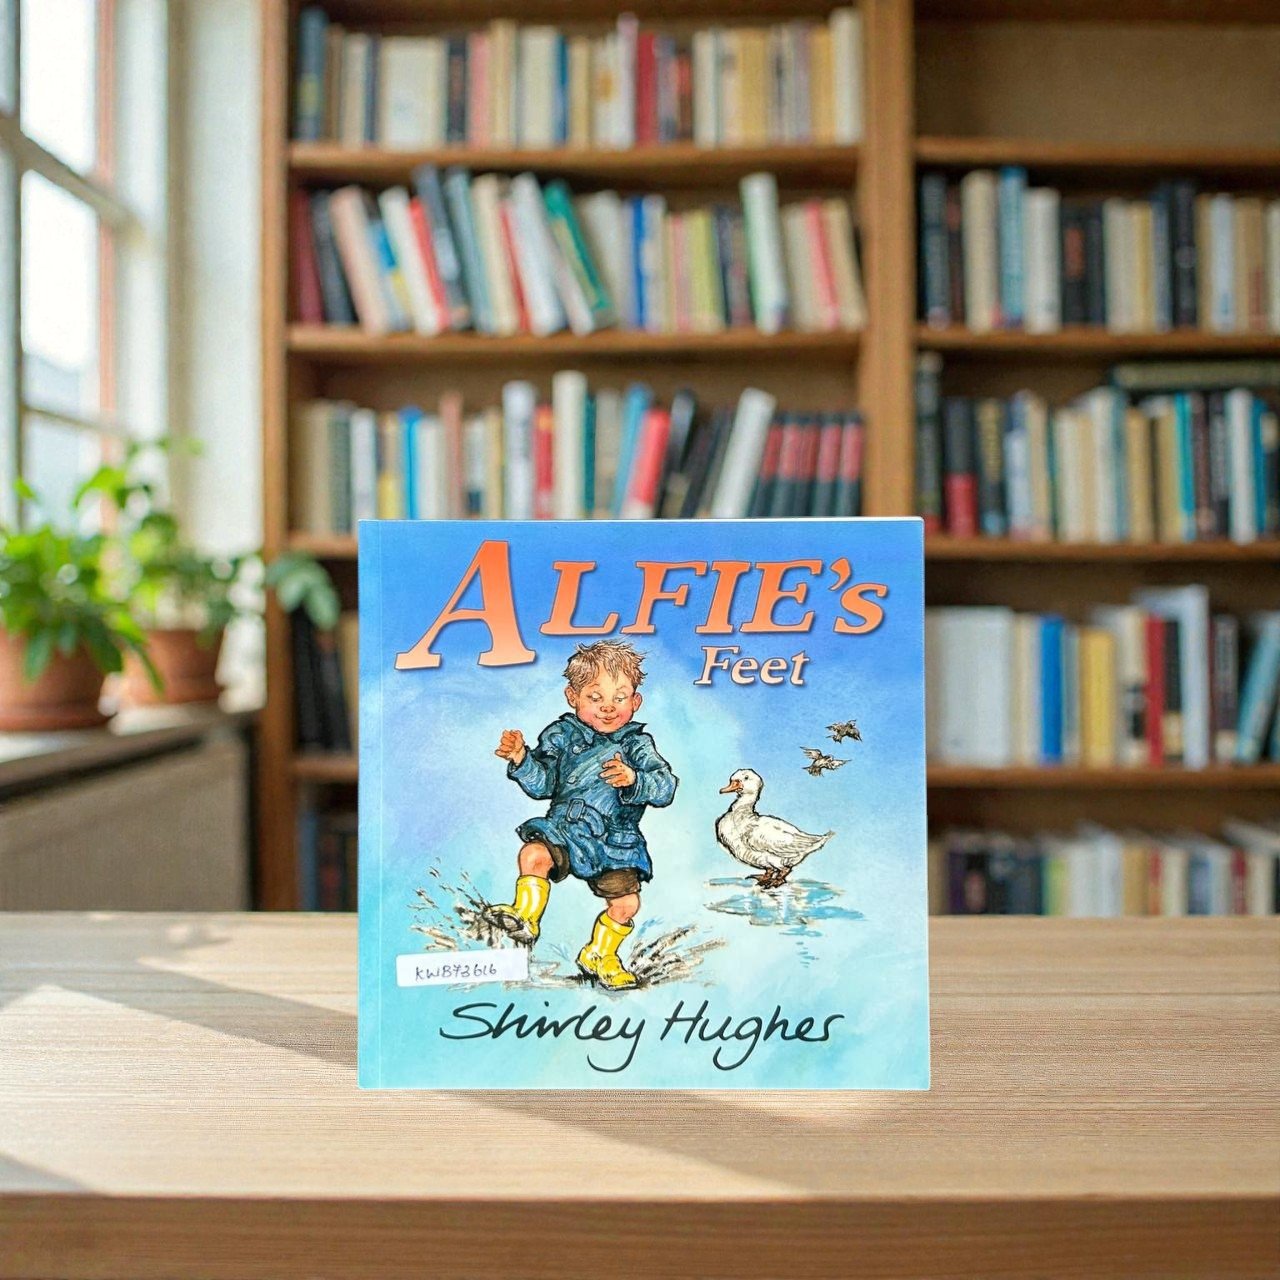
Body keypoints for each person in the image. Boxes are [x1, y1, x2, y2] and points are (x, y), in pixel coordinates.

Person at [490, 639, 677, 990]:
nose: (608, 707)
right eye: (595, 697)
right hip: (565, 828)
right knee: (533, 854)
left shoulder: (637, 744)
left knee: (626, 905)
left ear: (635, 701)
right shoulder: (561, 736)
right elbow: (543, 784)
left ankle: (600, 954)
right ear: (572, 697)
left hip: (615, 842)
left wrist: (634, 779)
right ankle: (526, 917)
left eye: (619, 698)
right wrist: (522, 759)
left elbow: (665, 786)